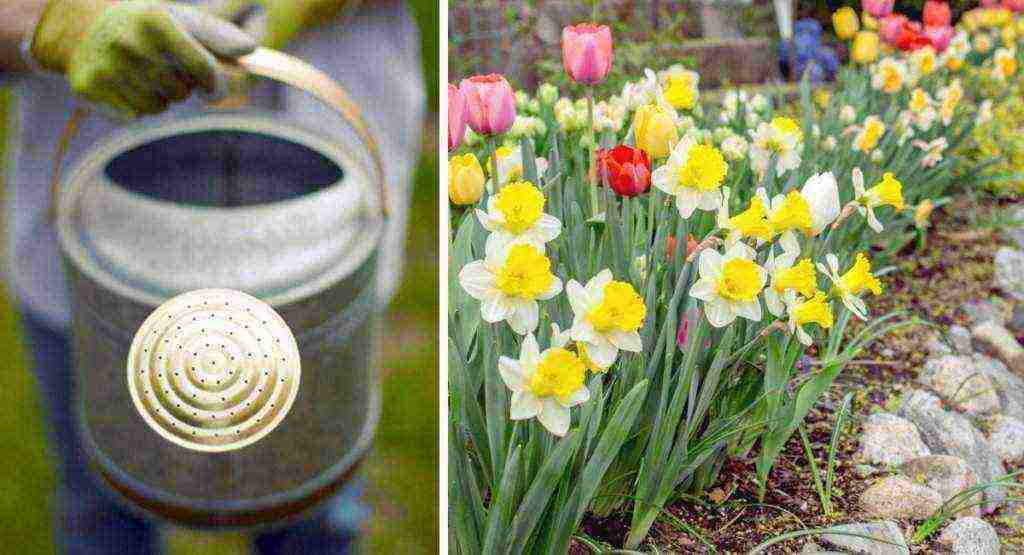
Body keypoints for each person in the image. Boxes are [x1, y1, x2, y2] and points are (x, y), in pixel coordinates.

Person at [0, 1, 425, 553]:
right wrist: (54, 25)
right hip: (94, 228)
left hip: (328, 218)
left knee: (315, 503)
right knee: (103, 504)